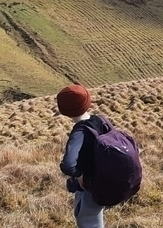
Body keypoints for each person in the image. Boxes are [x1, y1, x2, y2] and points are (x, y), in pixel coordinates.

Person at [57, 84, 106, 228]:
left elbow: (68, 165)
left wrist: (79, 176)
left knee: (88, 221)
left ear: (65, 111)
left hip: (90, 185)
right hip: (106, 178)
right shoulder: (101, 120)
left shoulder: (79, 132)